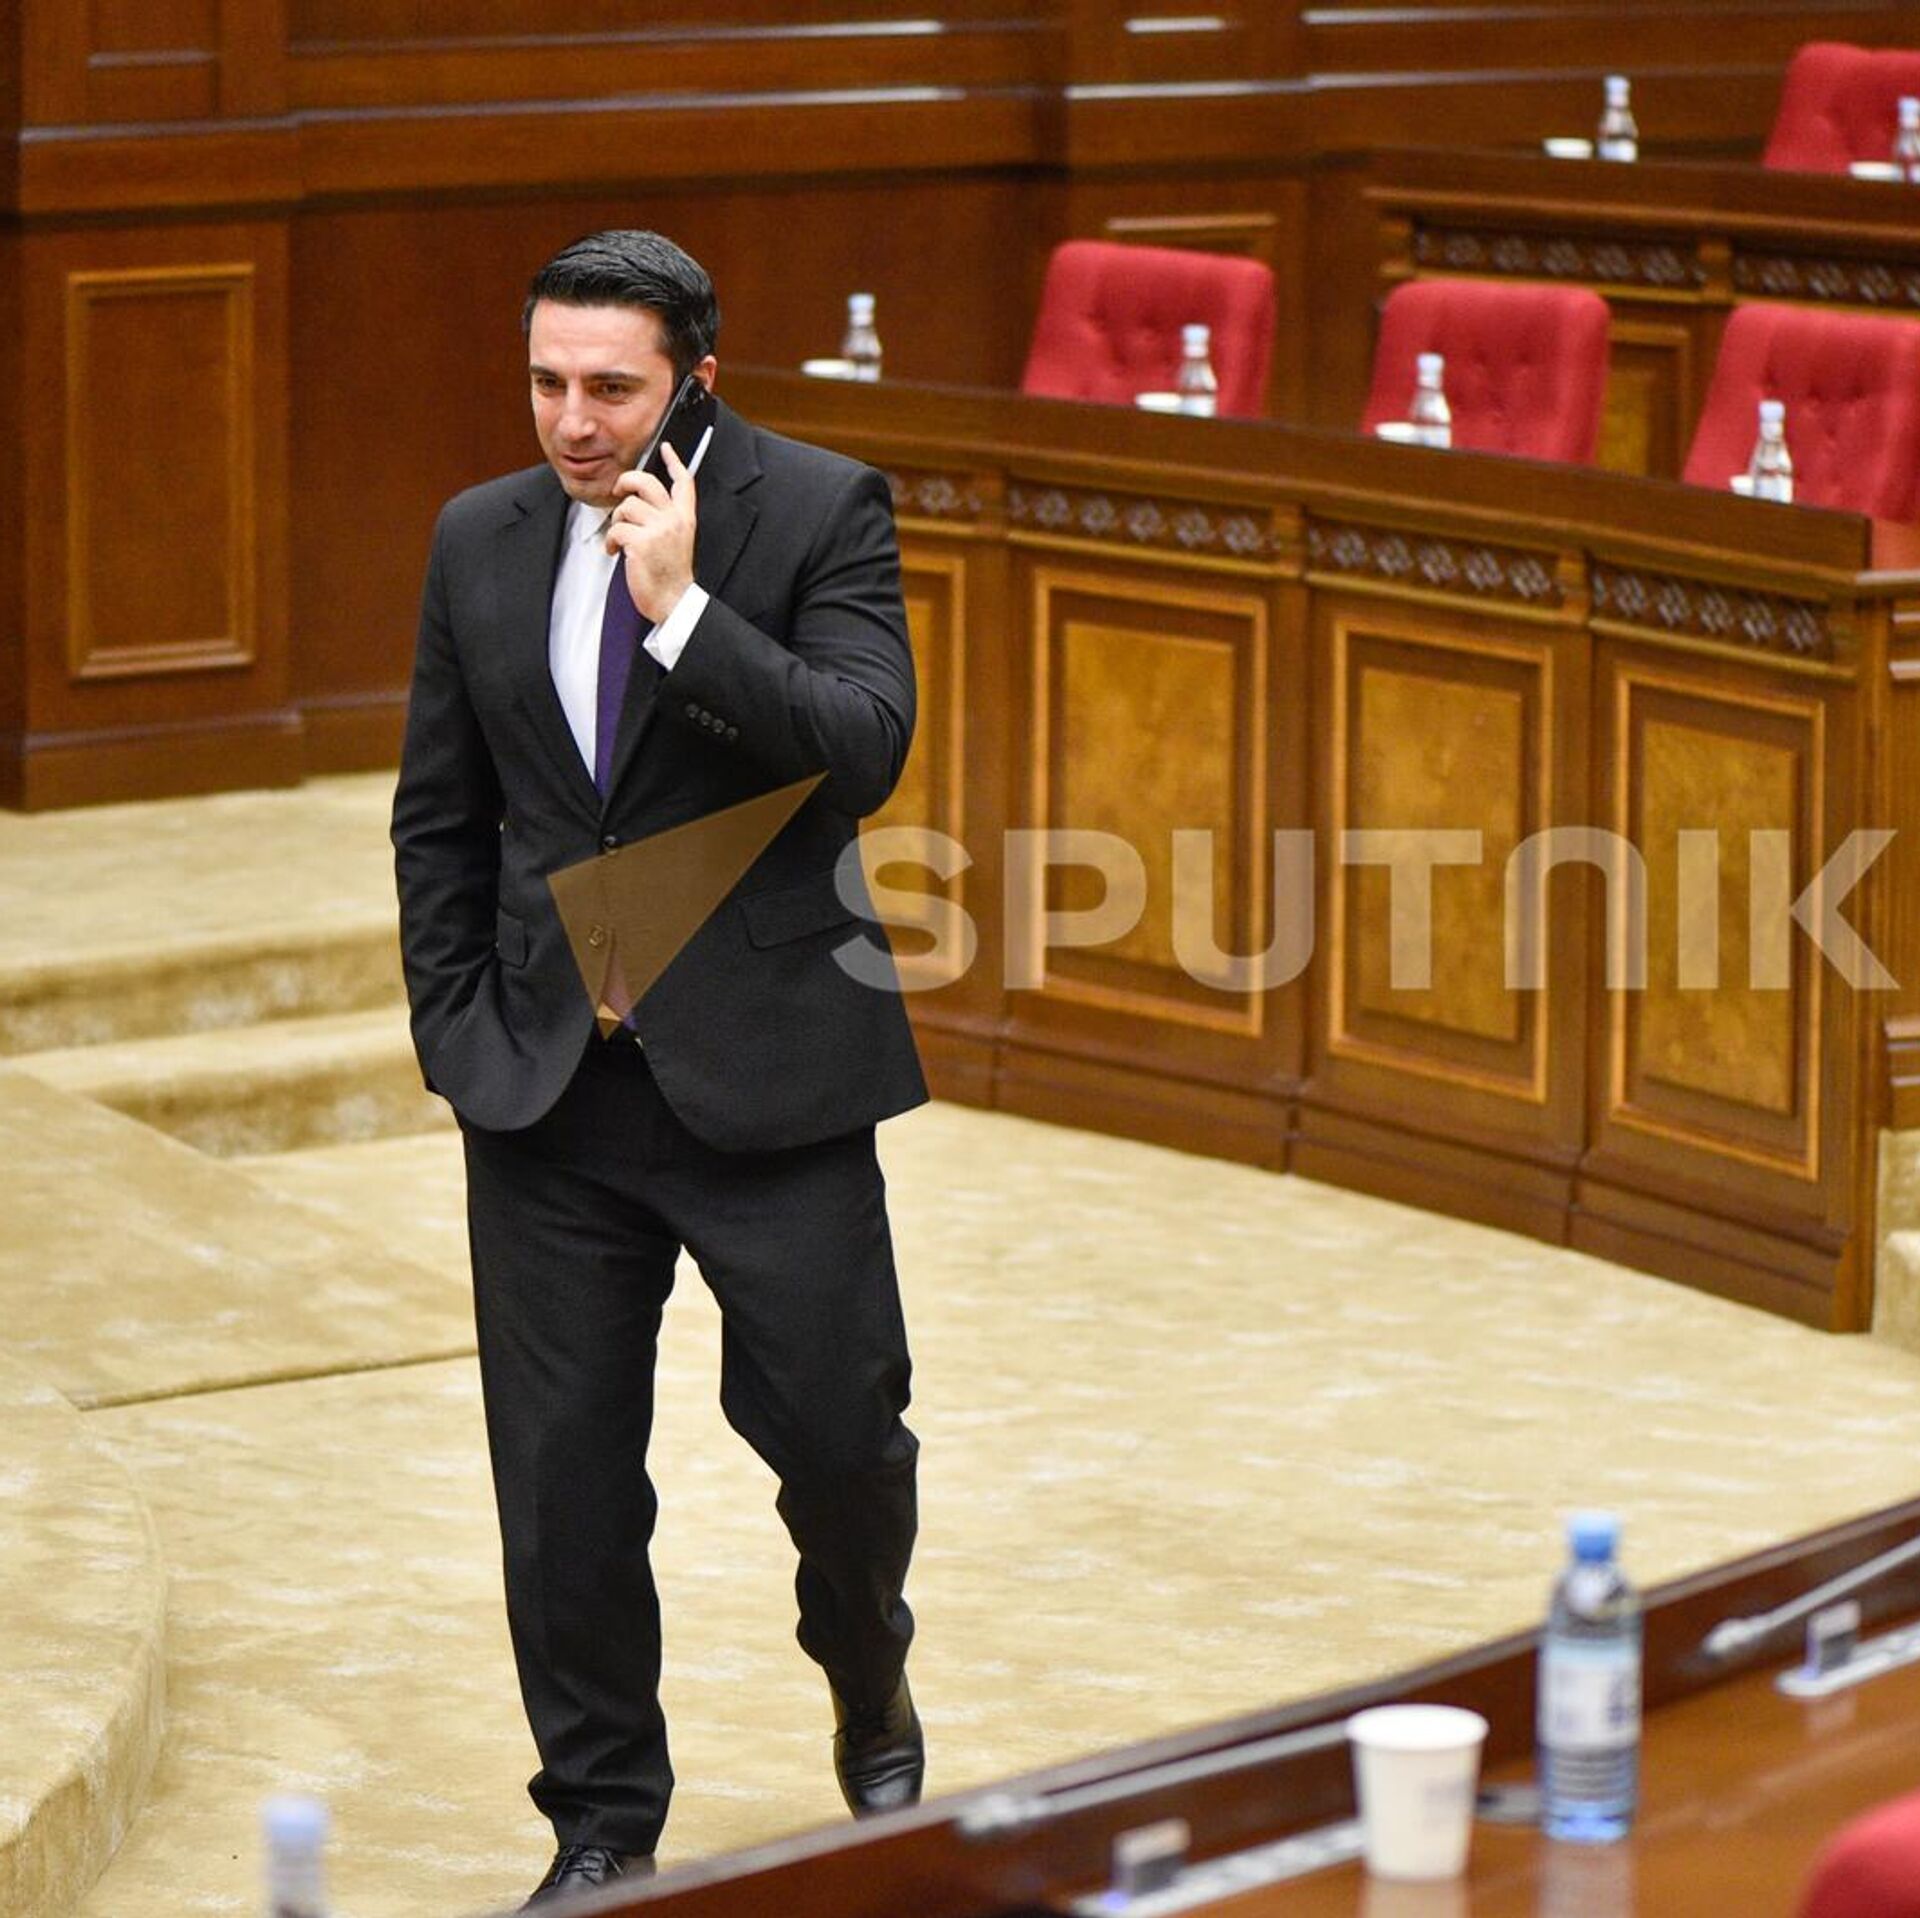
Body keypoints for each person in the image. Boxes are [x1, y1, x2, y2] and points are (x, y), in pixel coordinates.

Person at [390, 229, 927, 1908]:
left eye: (611, 387)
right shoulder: (478, 538)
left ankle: (866, 1669)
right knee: (558, 1488)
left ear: (695, 376)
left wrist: (681, 611)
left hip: (771, 1084)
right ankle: (601, 1820)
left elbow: (866, 750)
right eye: (547, 382)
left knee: (842, 1441)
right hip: (549, 1092)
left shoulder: (819, 509)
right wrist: (459, 1028)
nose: (573, 420)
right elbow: (440, 814)